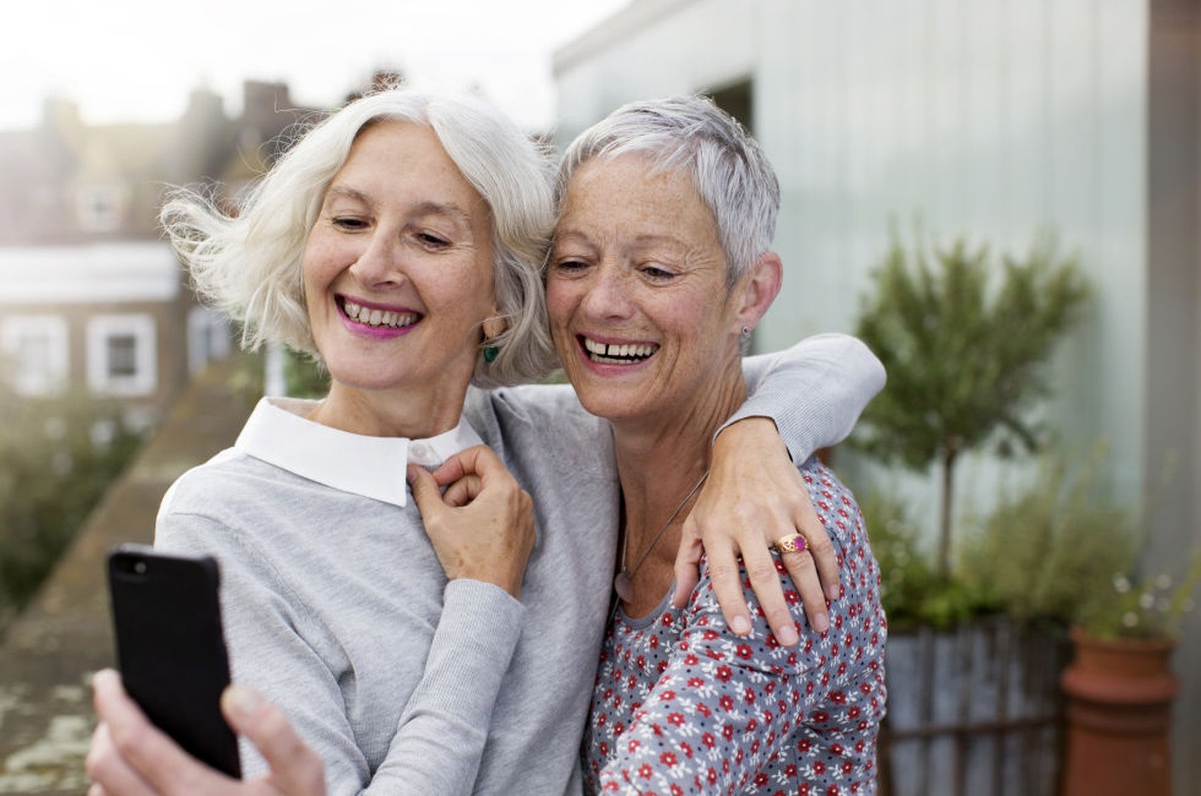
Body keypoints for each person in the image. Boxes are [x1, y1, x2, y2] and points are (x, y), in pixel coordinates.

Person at [85, 87, 884, 795]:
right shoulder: (226, 519)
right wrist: (483, 600)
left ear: (504, 297)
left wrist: (755, 437)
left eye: (430, 239)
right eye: (349, 220)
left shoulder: (560, 442)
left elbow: (835, 363)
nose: (372, 264)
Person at [542, 96, 887, 793]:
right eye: (574, 262)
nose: (602, 301)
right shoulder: (571, 463)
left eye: (656, 271)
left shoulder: (784, 544)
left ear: (750, 295)